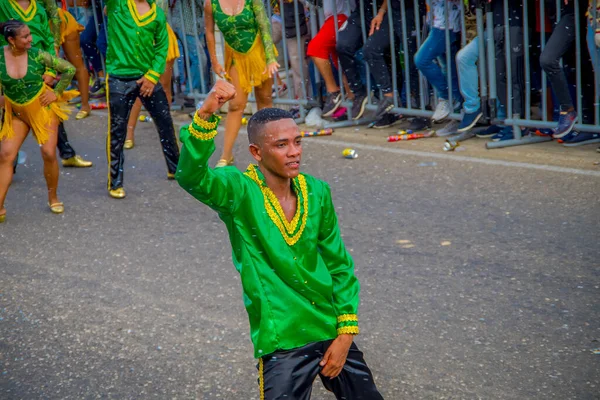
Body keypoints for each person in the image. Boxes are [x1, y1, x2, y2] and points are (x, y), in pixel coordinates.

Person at [176, 79, 384, 400]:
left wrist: (345, 334)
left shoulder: (317, 191)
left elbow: (339, 265)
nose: (294, 152)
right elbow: (191, 177)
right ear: (257, 152)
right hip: (283, 337)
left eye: (298, 142)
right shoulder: (238, 191)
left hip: (329, 326)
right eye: (282, 145)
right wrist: (206, 113)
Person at [0, 0, 93, 168]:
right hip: (11, 69)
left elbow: (51, 32)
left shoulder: (39, 8)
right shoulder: (3, 5)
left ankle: (66, 153)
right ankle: (8, 162)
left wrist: (51, 69)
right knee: (9, 113)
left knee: (49, 107)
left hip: (39, 66)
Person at [0, 20, 77, 222]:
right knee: (6, 155)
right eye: (24, 36)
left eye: (29, 34)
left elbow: (69, 69)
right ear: (11, 40)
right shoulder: (0, 56)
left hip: (42, 109)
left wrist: (56, 93)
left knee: (48, 152)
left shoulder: (37, 54)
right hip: (16, 113)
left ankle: (53, 197)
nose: (30, 39)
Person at [104, 0, 180, 199]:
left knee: (165, 122)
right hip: (119, 77)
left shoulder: (157, 14)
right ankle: (115, 182)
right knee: (117, 130)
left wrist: (152, 76)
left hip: (148, 78)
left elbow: (162, 46)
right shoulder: (117, 5)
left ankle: (175, 169)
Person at [204, 0, 279, 168]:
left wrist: (270, 58)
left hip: (259, 53)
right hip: (235, 57)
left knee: (265, 101)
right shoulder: (211, 4)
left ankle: (271, 153)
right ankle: (226, 155)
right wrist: (215, 62)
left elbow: (264, 25)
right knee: (236, 105)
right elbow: (209, 32)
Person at [124, 0, 180, 150]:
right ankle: (129, 132)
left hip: (161, 36)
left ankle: (166, 132)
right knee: (139, 89)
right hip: (140, 37)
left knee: (165, 88)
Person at [362, 0, 422, 127]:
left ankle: (420, 111)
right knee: (371, 49)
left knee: (413, 61)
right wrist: (382, 11)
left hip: (413, 10)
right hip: (393, 11)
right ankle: (390, 98)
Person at [414, 0, 463, 123]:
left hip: (446, 24)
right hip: (437, 21)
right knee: (449, 65)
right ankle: (458, 111)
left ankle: (445, 97)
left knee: (422, 60)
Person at [42, 1, 91, 119]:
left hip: (60, 23)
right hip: (40, 28)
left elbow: (54, 15)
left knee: (77, 64)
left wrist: (56, 44)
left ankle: (85, 105)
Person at [306, 0, 355, 117]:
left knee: (315, 48)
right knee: (340, 60)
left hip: (342, 16)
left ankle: (333, 91)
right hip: (334, 17)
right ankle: (352, 101)